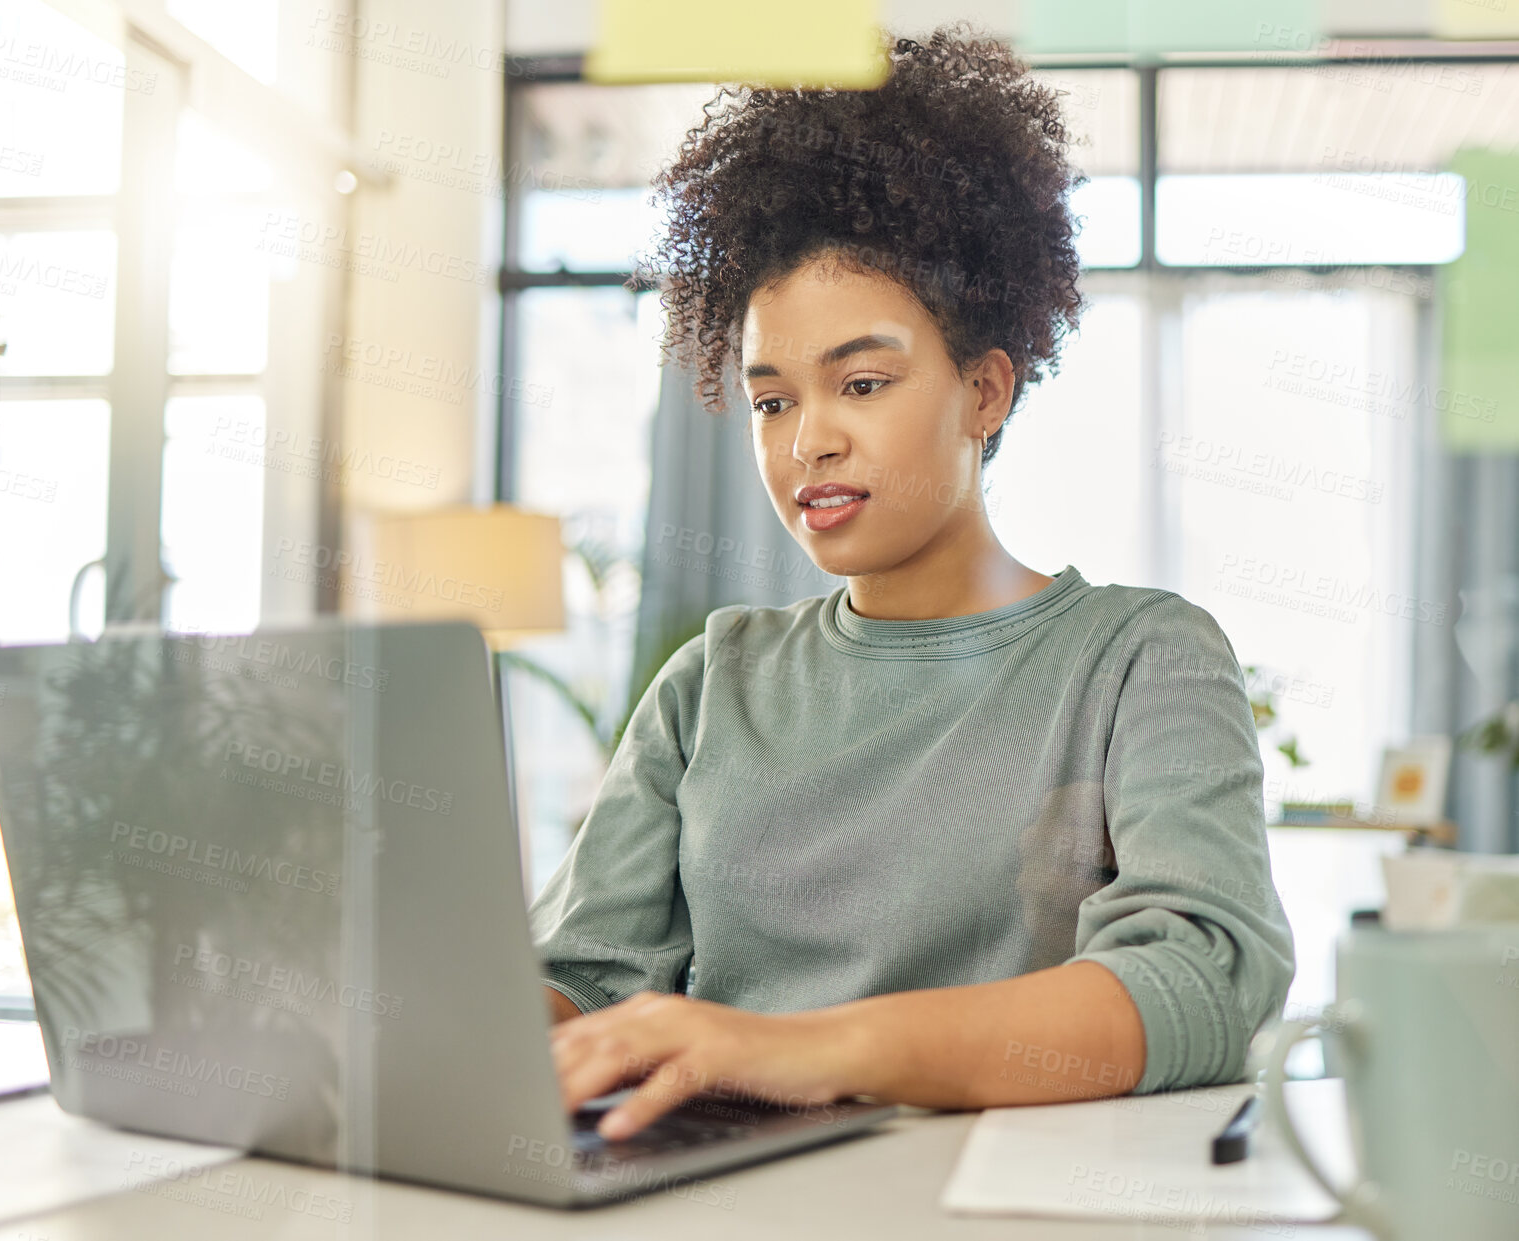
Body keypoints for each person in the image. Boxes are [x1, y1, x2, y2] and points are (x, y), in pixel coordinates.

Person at [530, 21, 1295, 1142]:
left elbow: (1201, 976)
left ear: (985, 392)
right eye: (775, 400)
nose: (809, 443)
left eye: (865, 382)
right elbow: (587, 980)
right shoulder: (712, 684)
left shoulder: (1139, 657)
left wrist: (802, 1048)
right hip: (708, 1196)